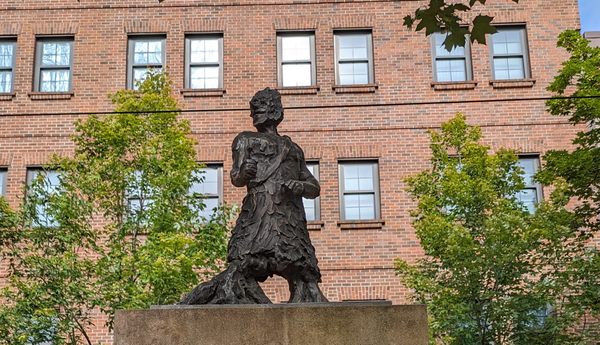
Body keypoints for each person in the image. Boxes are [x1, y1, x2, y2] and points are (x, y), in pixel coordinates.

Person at [181, 88, 327, 304]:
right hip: (259, 211)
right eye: (253, 108)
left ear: (275, 110)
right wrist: (244, 172)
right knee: (246, 260)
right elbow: (236, 177)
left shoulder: (292, 149)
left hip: (289, 216)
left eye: (261, 106)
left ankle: (306, 295)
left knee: (300, 265)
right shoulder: (244, 141)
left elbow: (313, 186)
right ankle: (235, 292)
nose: (254, 113)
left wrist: (300, 186)